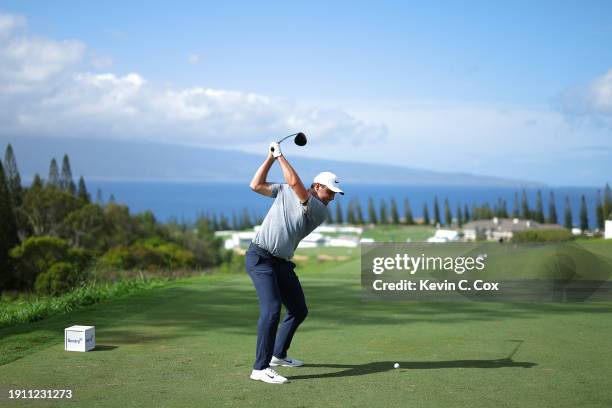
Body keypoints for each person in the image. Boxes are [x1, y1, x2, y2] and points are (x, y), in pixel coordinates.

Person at [246, 140, 344, 384]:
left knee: (299, 310)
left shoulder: (318, 209)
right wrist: (270, 157)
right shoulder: (285, 191)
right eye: (329, 192)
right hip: (260, 257)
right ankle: (260, 368)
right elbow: (255, 185)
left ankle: (278, 354)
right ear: (317, 186)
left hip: (281, 263)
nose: (332, 197)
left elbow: (295, 184)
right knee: (271, 311)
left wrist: (280, 156)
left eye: (334, 194)